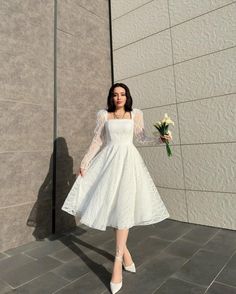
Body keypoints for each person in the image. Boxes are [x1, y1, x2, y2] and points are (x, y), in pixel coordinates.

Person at [61, 83, 172, 293]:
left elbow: (141, 138)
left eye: (122, 94)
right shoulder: (104, 115)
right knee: (113, 207)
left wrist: (160, 138)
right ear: (111, 97)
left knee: (124, 206)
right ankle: (126, 253)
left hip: (129, 164)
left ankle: (118, 261)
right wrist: (84, 163)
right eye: (115, 94)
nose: (118, 97)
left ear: (127, 96)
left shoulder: (135, 114)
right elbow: (97, 141)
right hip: (108, 163)